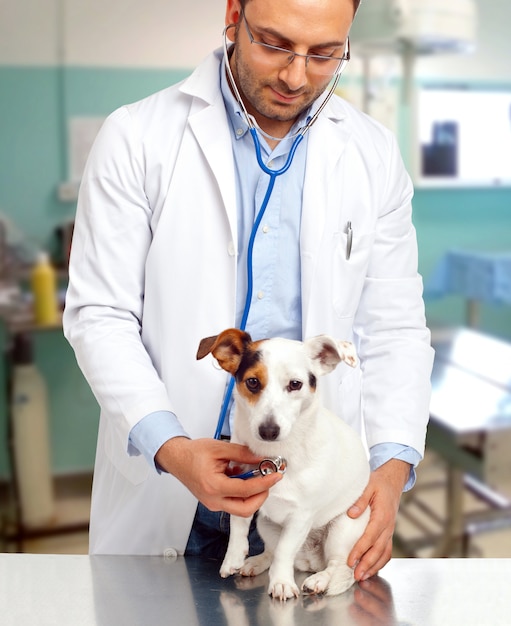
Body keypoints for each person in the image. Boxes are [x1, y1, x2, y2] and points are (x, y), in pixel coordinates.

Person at [63, 0, 434, 583]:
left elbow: (395, 328)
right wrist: (173, 450)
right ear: (233, 16)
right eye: (275, 44)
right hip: (175, 489)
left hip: (312, 488)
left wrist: (390, 469)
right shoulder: (138, 136)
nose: (296, 76)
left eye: (324, 54)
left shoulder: (373, 153)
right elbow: (99, 315)